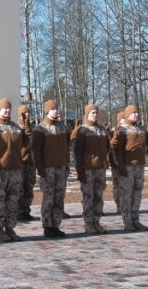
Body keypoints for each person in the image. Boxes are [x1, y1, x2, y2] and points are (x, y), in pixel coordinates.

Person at [0, 98, 30, 242]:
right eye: (4, 108)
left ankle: (10, 228)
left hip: (15, 171)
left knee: (13, 201)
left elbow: (27, 143)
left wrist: (26, 126)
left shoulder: (16, 127)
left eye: (9, 108)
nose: (7, 110)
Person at [110, 105, 148, 231]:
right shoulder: (122, 129)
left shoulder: (141, 129)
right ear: (127, 114)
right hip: (127, 166)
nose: (136, 115)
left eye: (137, 112)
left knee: (137, 193)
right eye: (133, 113)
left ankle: (136, 219)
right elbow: (116, 149)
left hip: (140, 166)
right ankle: (127, 221)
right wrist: (120, 166)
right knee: (127, 194)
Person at [33, 100, 71, 238]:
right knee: (48, 198)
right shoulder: (40, 129)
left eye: (57, 108)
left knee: (59, 197)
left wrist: (66, 165)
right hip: (48, 168)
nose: (56, 111)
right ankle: (47, 226)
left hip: (61, 167)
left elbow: (66, 147)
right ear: (47, 111)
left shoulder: (62, 127)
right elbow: (36, 151)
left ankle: (56, 224)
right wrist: (40, 169)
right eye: (53, 109)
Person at [72, 104, 110, 234]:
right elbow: (77, 152)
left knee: (99, 197)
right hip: (88, 169)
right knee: (88, 197)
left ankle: (97, 222)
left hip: (101, 168)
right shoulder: (83, 131)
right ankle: (88, 223)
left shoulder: (102, 130)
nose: (95, 115)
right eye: (92, 113)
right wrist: (80, 170)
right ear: (87, 114)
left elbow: (107, 148)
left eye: (97, 113)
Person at [16, 105, 37, 221]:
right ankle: (18, 211)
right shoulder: (16, 127)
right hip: (20, 162)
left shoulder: (33, 126)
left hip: (31, 162)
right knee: (19, 188)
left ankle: (26, 210)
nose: (27, 115)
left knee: (29, 187)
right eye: (24, 113)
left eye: (28, 112)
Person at [109, 111, 126, 215]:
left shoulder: (127, 130)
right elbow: (111, 148)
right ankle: (119, 205)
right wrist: (114, 163)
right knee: (117, 185)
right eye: (123, 118)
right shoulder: (113, 131)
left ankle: (125, 205)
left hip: (126, 163)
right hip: (116, 163)